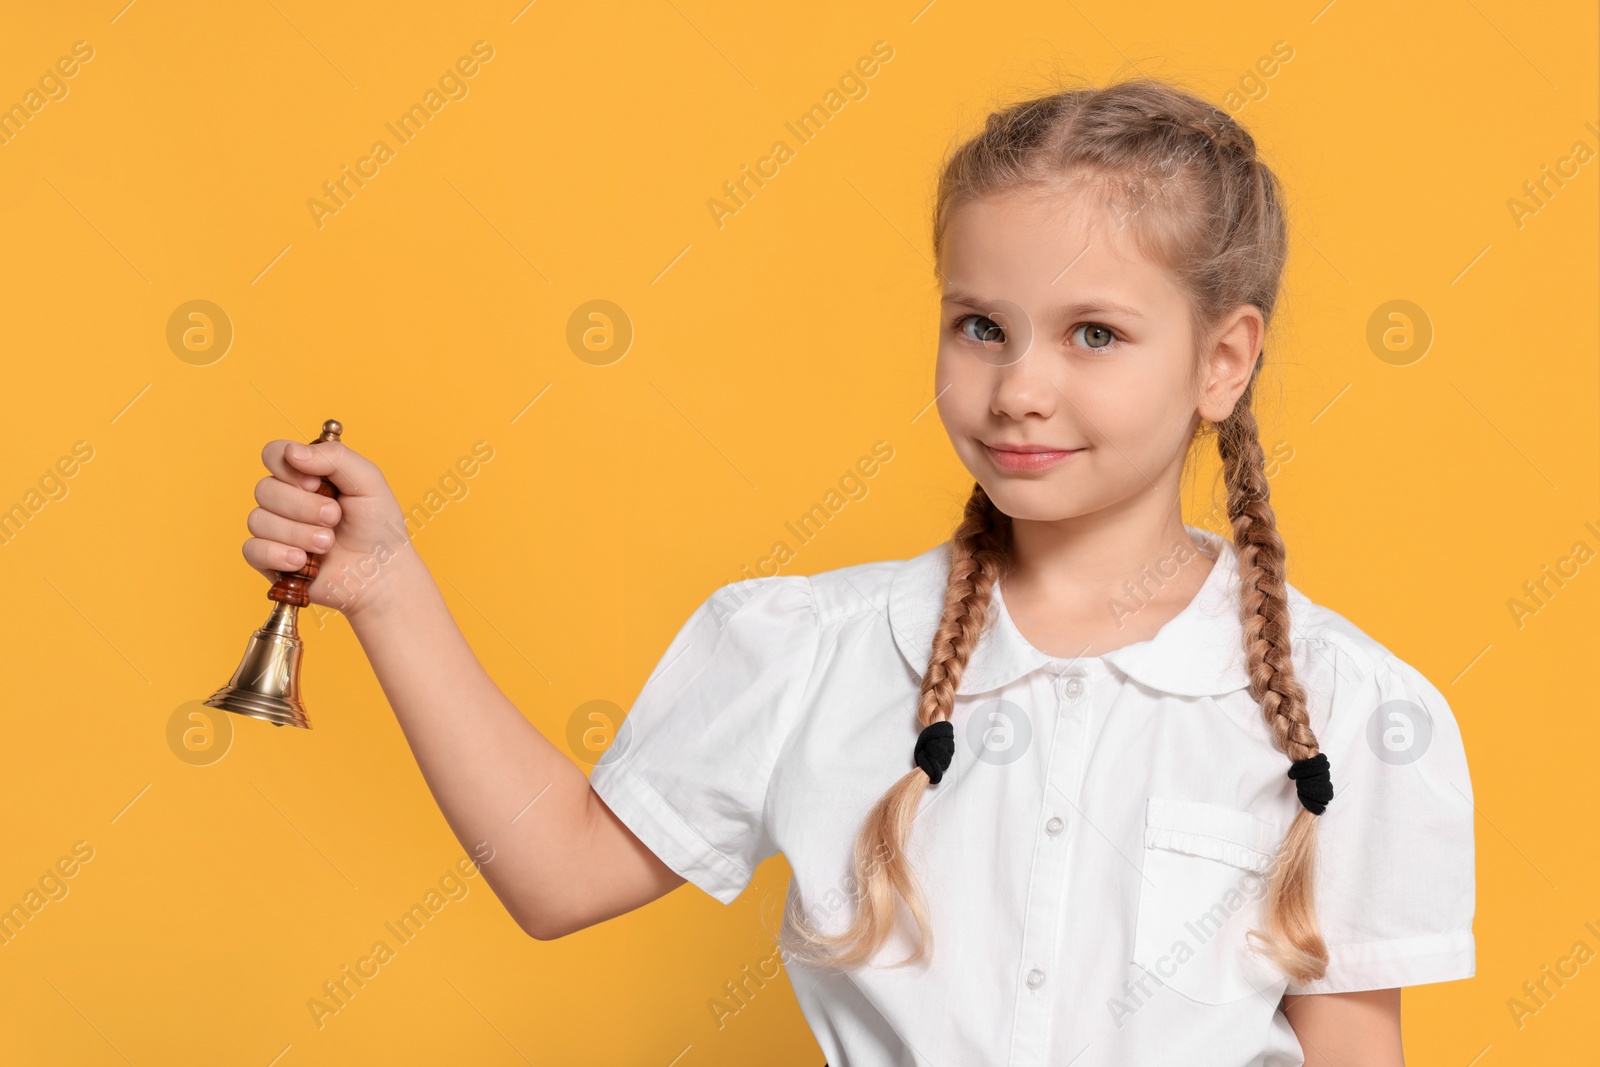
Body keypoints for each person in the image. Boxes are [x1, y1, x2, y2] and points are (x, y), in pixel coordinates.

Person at [238, 78, 1475, 1066]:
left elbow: (1351, 1053)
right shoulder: (805, 648)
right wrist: (388, 587)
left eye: (1094, 332)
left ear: (1222, 360)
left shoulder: (1353, 712)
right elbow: (560, 872)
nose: (1018, 387)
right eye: (979, 323)